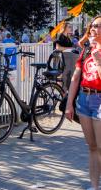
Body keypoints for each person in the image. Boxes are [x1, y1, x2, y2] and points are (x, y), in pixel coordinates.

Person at [65, 15, 101, 190]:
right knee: (93, 147)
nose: (94, 29)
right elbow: (75, 77)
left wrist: (99, 60)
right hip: (84, 99)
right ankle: (94, 186)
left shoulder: (95, 53)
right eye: (92, 26)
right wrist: (69, 103)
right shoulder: (86, 50)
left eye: (98, 26)